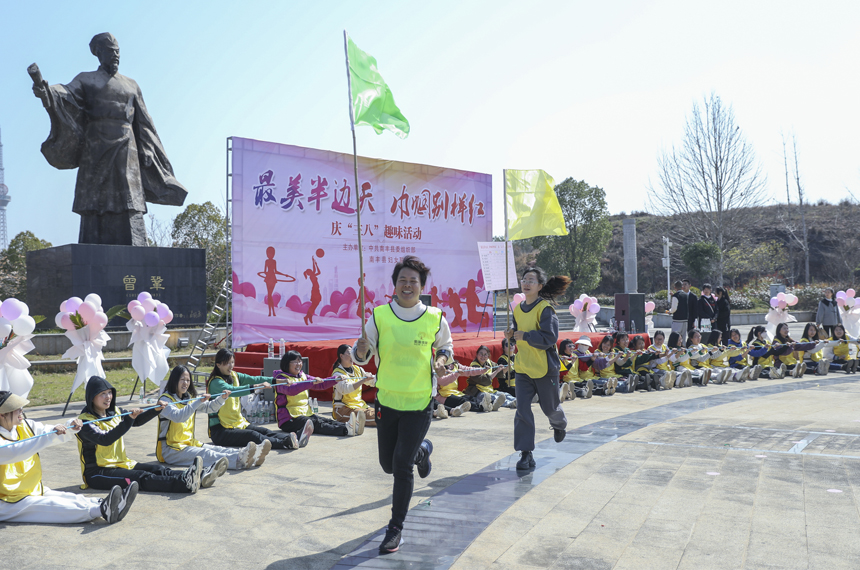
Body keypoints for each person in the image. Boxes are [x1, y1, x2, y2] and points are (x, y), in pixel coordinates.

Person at [32, 33, 186, 246]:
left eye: (117, 51)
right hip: (96, 145)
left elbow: (143, 121)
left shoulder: (131, 85)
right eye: (110, 51)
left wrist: (147, 148)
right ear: (98, 53)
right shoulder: (86, 79)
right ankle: (93, 247)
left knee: (129, 197)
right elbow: (64, 93)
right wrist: (47, 91)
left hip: (127, 147)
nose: (115, 55)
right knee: (94, 197)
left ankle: (135, 246)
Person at [353, 256, 453, 554]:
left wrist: (442, 360)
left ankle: (395, 528)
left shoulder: (434, 316)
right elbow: (363, 355)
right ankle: (422, 452)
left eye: (414, 281)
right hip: (387, 401)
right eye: (403, 281)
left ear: (422, 286)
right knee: (388, 464)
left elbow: (446, 346)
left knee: (401, 466)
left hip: (420, 401)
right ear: (394, 285)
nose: (408, 285)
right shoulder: (380, 315)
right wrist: (360, 351)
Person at [0, 391, 137, 524]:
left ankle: (108, 503)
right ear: (2, 414)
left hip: (30, 489)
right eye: (16, 409)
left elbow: (50, 431)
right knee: (50, 505)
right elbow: (15, 451)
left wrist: (71, 426)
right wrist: (52, 435)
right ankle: (100, 510)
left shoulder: (26, 425)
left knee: (67, 497)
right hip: (5, 501)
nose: (21, 411)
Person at [76, 376, 208, 494]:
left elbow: (136, 421)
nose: (108, 397)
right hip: (98, 473)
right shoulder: (85, 422)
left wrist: (155, 409)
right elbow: (105, 439)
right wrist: (128, 420)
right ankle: (184, 483)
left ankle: (200, 476)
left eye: (109, 392)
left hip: (121, 463)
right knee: (141, 477)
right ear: (92, 397)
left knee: (157, 469)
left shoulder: (115, 411)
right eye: (102, 394)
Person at [504, 266, 571, 471]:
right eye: (524, 279)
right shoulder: (517, 308)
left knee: (549, 407)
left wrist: (526, 336)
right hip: (523, 367)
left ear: (540, 286)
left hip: (544, 367)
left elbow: (550, 338)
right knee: (522, 410)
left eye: (531, 280)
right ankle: (526, 454)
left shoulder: (545, 309)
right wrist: (511, 334)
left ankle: (559, 424)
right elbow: (517, 332)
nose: (526, 282)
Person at [156, 365, 259, 471]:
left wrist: (222, 398)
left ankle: (250, 455)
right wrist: (197, 401)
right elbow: (178, 417)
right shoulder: (165, 400)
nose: (185, 383)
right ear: (174, 380)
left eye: (188, 380)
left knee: (216, 449)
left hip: (188, 443)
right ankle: (239, 460)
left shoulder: (188, 398)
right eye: (182, 380)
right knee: (206, 454)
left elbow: (210, 408)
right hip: (170, 451)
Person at [206, 348, 304, 454]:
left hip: (237, 423)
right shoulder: (216, 382)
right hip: (221, 431)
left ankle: (293, 438)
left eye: (232, 362)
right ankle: (285, 443)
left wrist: (277, 380)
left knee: (263, 431)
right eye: (227, 363)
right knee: (253, 436)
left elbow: (254, 379)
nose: (231, 366)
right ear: (218, 364)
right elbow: (234, 391)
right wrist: (256, 387)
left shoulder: (234, 375)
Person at [273, 351, 352, 437]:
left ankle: (349, 426)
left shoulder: (303, 376)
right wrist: (310, 382)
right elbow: (292, 390)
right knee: (317, 423)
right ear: (286, 363)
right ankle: (346, 430)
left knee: (324, 420)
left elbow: (321, 384)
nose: (298, 364)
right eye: (295, 361)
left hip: (305, 414)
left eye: (300, 361)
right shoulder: (280, 379)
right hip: (289, 420)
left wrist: (335, 379)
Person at [332, 344, 377, 428]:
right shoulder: (337, 373)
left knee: (382, 413)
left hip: (360, 406)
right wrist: (362, 380)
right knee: (379, 418)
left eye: (353, 353)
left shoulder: (358, 369)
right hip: (344, 410)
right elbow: (345, 389)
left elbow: (372, 381)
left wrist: (382, 380)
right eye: (349, 353)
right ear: (341, 356)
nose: (352, 356)